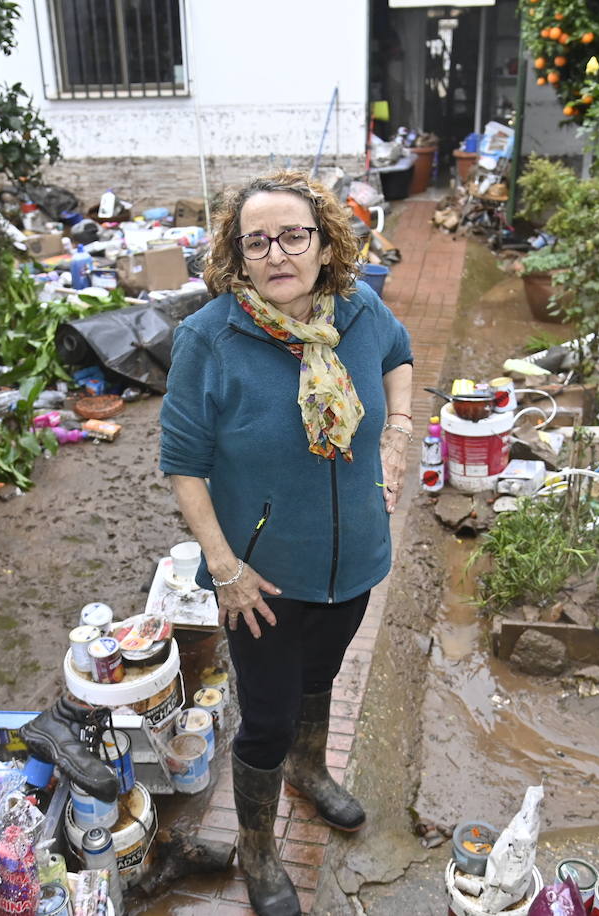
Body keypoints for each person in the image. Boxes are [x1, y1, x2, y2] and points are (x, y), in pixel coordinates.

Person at [160, 171, 413, 916]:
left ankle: (310, 771)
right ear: (237, 257)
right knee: (265, 716)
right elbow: (183, 465)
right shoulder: (209, 339)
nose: (278, 253)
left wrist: (397, 433)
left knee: (321, 677)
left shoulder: (361, 311)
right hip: (261, 580)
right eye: (257, 240)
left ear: (324, 242)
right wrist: (225, 568)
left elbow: (398, 357)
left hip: (356, 559)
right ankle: (260, 848)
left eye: (293, 235)